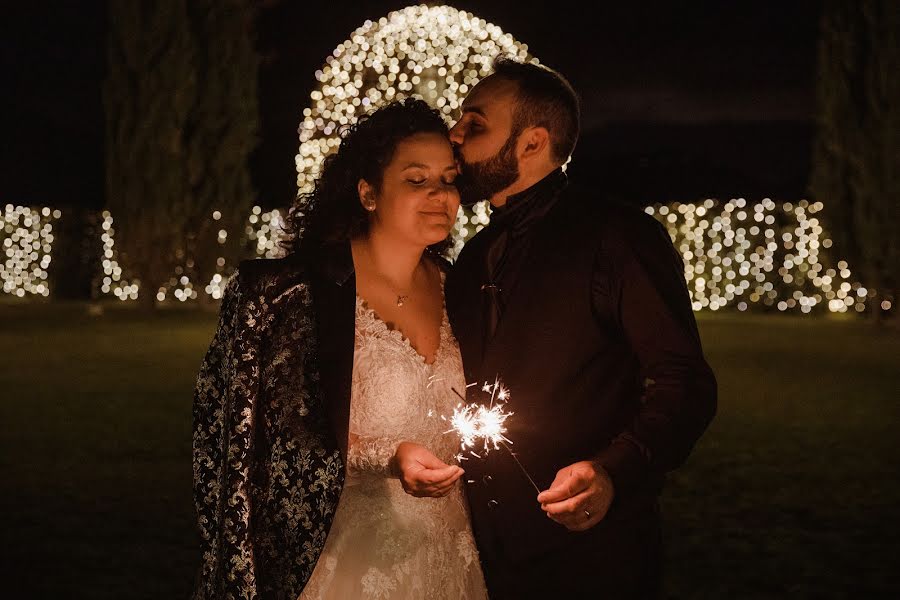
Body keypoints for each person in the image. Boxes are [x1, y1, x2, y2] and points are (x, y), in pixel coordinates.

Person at [192, 98, 488, 599]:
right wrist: (389, 458)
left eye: (449, 178)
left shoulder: (461, 291)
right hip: (334, 555)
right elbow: (254, 439)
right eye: (417, 180)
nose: (440, 195)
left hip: (444, 550)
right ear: (368, 193)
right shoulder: (290, 295)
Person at [445, 57, 718, 598]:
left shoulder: (620, 236)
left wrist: (613, 471)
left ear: (532, 142)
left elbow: (684, 381)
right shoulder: (471, 256)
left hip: (594, 557)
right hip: (483, 551)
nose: (454, 134)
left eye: (475, 124)